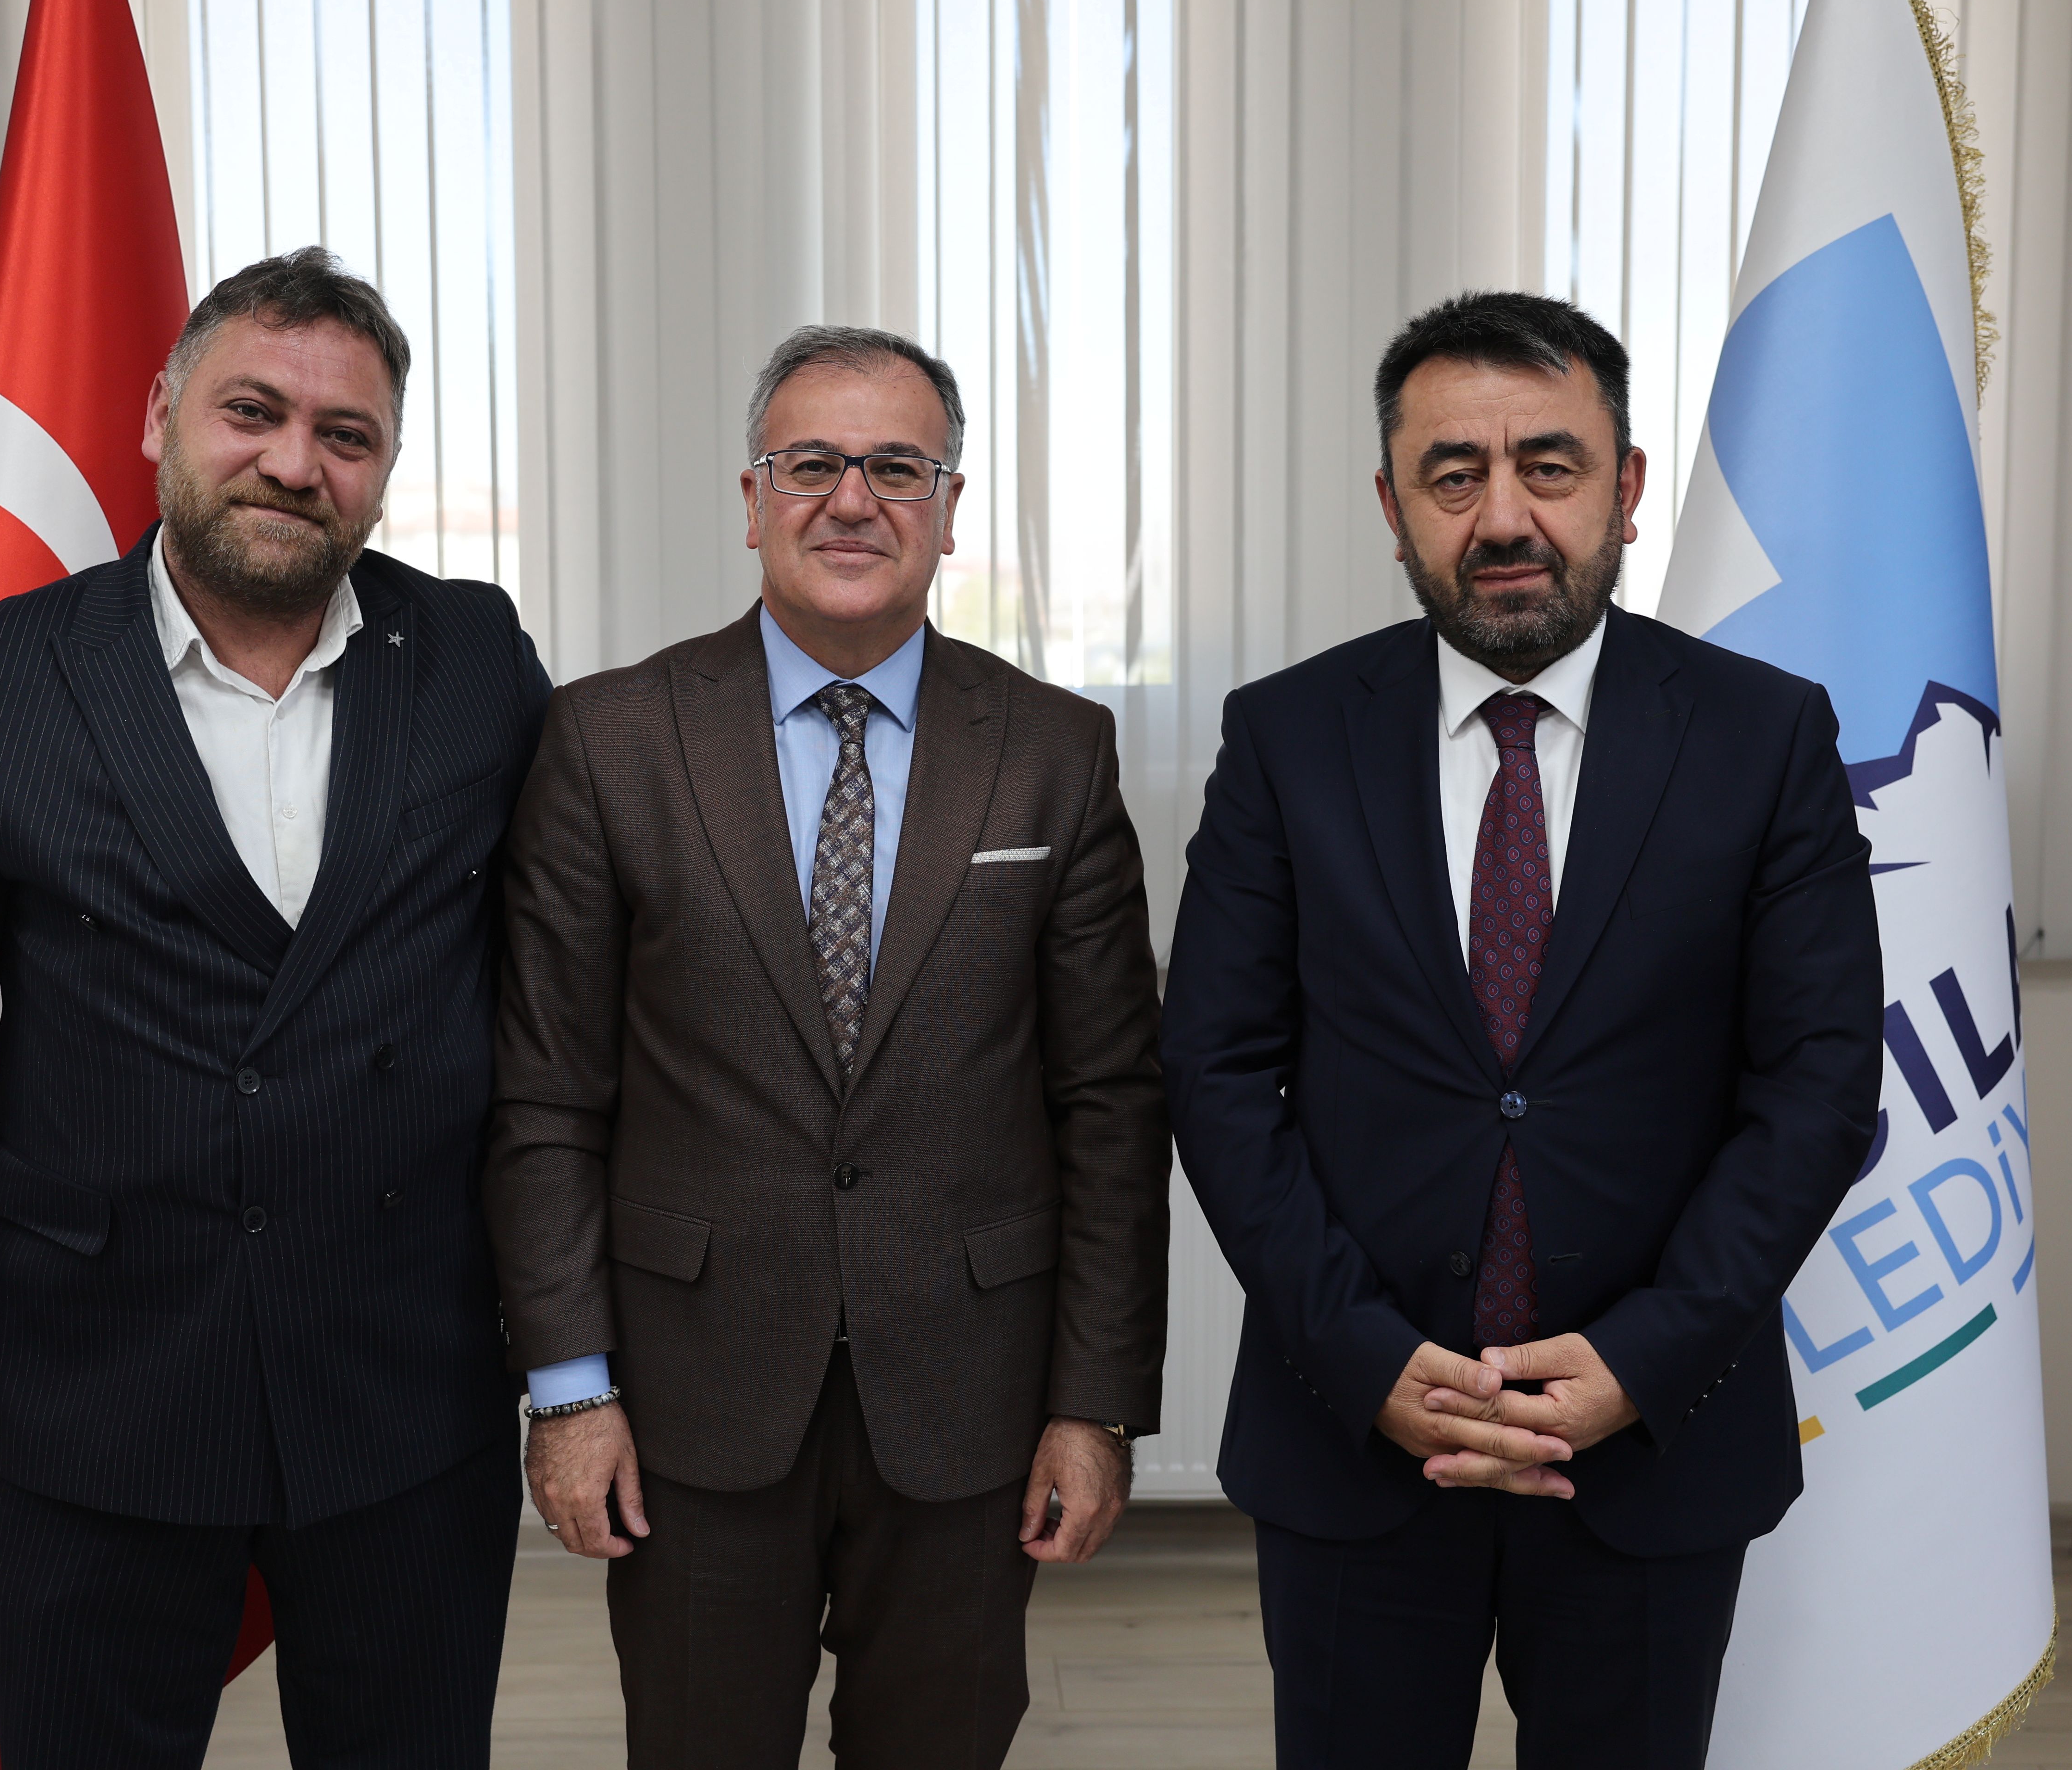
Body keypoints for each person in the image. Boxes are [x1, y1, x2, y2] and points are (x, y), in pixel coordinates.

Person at [0, 248, 549, 1769]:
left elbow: (554, 995)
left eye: (346, 435)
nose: (294, 463)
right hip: (93, 1392)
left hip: (405, 1390)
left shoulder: (477, 659)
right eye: (252, 412)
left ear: (384, 469)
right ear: (161, 413)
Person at [1160, 291, 1883, 1769]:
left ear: (1625, 488)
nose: (1503, 517)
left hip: (1653, 1444)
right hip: (1356, 1436)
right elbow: (1217, 1073)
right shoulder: (1287, 737)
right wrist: (1365, 1358)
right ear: (1392, 507)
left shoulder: (1764, 736)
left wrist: (1643, 1358)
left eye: (1549, 467)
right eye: (1454, 474)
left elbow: (1816, 1085)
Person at [484, 324, 1170, 1768]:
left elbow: (1110, 1105)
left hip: (970, 1400)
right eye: (812, 465)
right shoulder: (610, 740)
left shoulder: (1054, 751)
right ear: (752, 501)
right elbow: (547, 1098)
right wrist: (570, 1391)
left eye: (898, 468)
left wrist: (1096, 1407)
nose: (853, 501)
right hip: (690, 1398)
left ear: (950, 509)